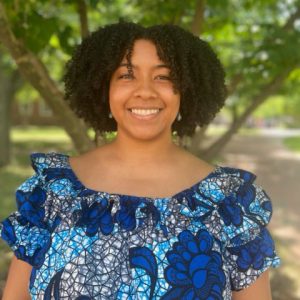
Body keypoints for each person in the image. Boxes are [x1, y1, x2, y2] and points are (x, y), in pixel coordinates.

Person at [1, 21, 280, 300]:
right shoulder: (52, 192)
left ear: (186, 89)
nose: (145, 91)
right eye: (126, 75)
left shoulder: (230, 203)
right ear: (103, 87)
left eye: (163, 77)